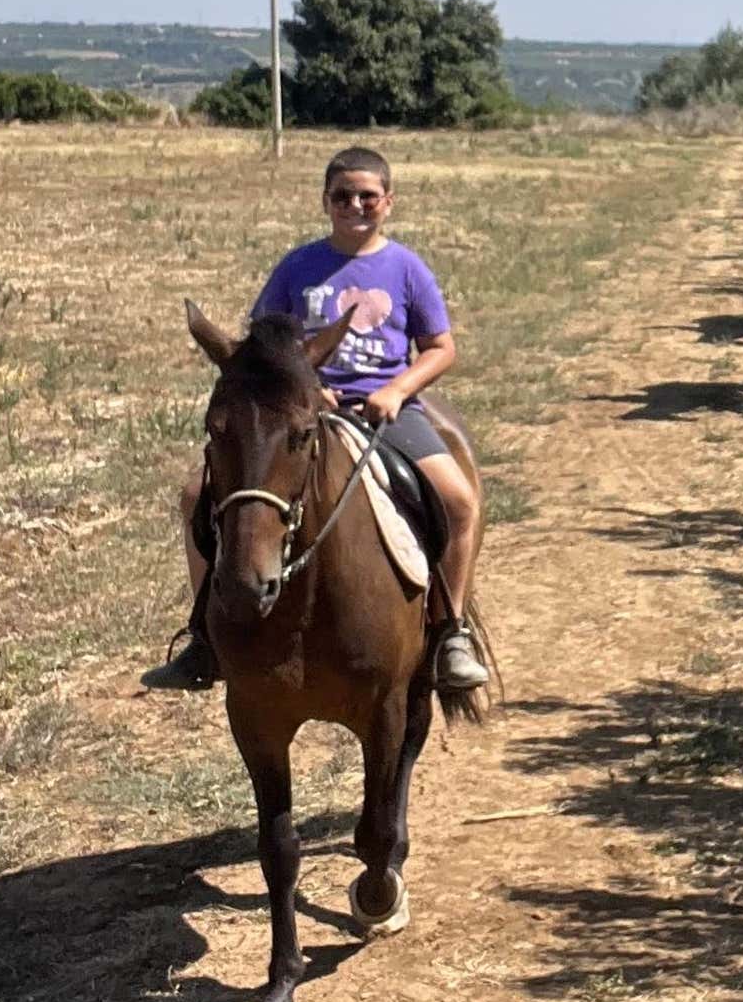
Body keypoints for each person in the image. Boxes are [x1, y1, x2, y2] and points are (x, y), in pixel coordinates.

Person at [145, 145, 487, 695]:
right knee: (194, 496)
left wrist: (397, 390)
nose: (355, 205)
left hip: (387, 409)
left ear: (389, 201)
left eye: (367, 196)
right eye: (342, 196)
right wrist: (307, 390)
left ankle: (450, 631)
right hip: (304, 411)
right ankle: (203, 636)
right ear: (325, 202)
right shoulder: (298, 267)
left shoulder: (407, 269)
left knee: (458, 499)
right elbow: (261, 347)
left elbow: (441, 348)